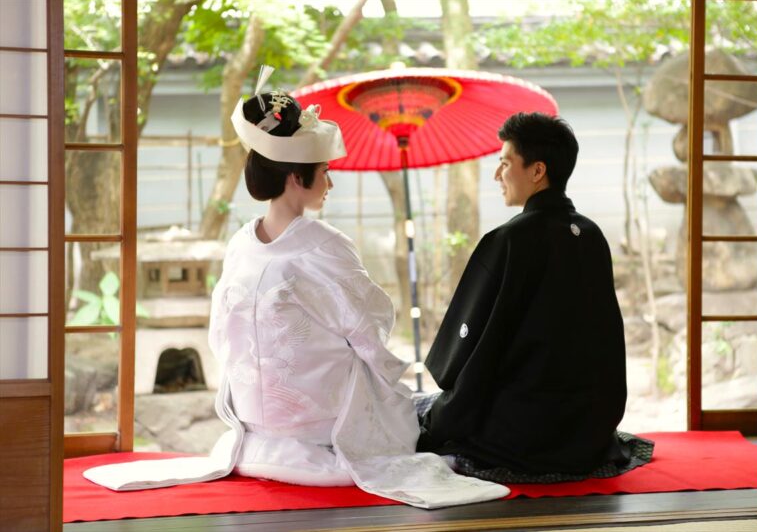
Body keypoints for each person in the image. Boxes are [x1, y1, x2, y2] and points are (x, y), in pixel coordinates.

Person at [83, 66, 508, 509]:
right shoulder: (324, 245)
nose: (329, 181)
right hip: (319, 428)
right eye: (323, 171)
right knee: (403, 395)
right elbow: (373, 327)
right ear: (294, 176)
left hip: (254, 429)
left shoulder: (240, 245)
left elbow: (221, 339)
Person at [417, 112, 653, 482]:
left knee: (418, 412)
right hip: (585, 433)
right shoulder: (591, 236)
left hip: (520, 435)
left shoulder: (509, 240)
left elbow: (476, 351)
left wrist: (441, 420)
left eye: (505, 163)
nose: (497, 175)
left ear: (537, 170)